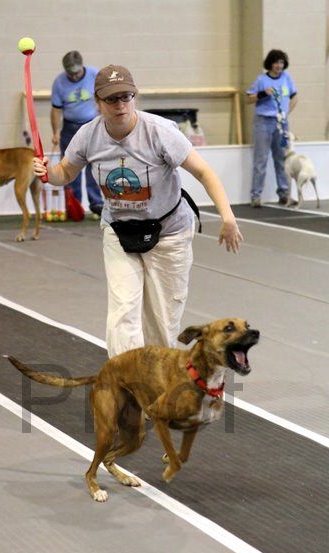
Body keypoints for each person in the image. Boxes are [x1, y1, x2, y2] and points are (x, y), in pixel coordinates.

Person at [35, 64, 243, 357]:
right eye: (111, 99)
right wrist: (46, 173)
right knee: (123, 314)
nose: (120, 105)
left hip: (169, 233)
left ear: (135, 97)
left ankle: (155, 388)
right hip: (119, 231)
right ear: (97, 102)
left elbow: (204, 172)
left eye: (126, 97)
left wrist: (228, 217)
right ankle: (126, 385)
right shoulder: (87, 136)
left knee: (161, 325)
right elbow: (65, 173)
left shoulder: (159, 132)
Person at [51, 50, 103, 217]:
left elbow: (105, 99)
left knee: (94, 165)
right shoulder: (59, 83)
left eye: (77, 72)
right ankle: (73, 206)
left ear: (82, 67)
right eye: (70, 73)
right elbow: (55, 110)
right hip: (69, 128)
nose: (74, 77)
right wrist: (55, 132)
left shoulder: (95, 75)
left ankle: (97, 204)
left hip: (92, 125)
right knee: (69, 166)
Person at [246, 49, 297, 208]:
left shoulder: (287, 78)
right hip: (263, 121)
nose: (278, 65)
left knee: (282, 158)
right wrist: (262, 94)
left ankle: (284, 193)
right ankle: (256, 195)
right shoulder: (261, 80)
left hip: (281, 122)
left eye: (281, 62)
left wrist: (286, 112)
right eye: (276, 62)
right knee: (261, 159)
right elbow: (248, 98)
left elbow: (294, 96)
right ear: (270, 64)